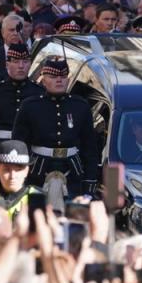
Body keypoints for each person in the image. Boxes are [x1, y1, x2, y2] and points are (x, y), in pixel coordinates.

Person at [11, 57, 98, 196]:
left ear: (68, 80)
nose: (59, 80)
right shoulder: (30, 106)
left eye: (63, 76)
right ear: (43, 80)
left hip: (72, 172)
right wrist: (19, 177)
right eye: (53, 76)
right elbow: (19, 145)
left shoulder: (80, 106)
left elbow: (89, 148)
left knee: (71, 215)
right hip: (37, 172)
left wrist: (89, 183)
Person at [0, 44, 43, 149]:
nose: (21, 66)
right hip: (0, 147)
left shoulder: (39, 92)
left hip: (28, 147)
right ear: (7, 64)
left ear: (30, 64)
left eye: (25, 62)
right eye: (16, 62)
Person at [0, 140, 38, 219]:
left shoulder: (37, 198)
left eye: (18, 170)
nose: (12, 176)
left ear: (26, 171)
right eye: (7, 170)